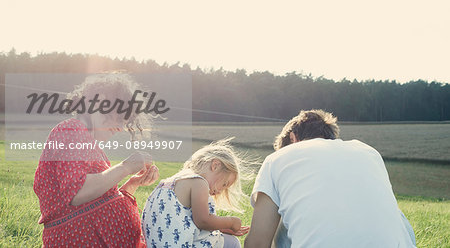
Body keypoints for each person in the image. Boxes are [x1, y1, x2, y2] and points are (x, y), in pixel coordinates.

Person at [244, 109, 416, 248]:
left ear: (293, 138)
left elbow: (257, 243)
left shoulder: (278, 158)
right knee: (398, 219)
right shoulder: (368, 151)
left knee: (278, 218)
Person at [33, 73, 160, 247]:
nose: (121, 128)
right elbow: (77, 193)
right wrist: (125, 167)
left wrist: (132, 183)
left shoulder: (89, 143)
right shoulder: (71, 129)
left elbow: (97, 199)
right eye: (119, 117)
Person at [142, 139, 249, 248]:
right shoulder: (199, 182)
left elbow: (181, 222)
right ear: (215, 165)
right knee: (232, 242)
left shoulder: (168, 183)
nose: (220, 191)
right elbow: (203, 221)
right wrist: (231, 222)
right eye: (224, 184)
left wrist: (220, 227)